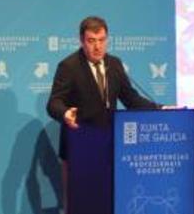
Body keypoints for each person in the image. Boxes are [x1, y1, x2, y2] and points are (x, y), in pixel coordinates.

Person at [47, 15, 159, 158]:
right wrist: (65, 113)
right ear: (82, 41)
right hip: (79, 144)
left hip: (109, 144)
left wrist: (159, 108)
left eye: (101, 40)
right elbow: (53, 103)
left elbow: (131, 99)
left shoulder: (114, 64)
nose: (97, 47)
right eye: (91, 41)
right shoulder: (69, 66)